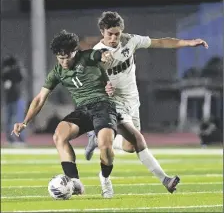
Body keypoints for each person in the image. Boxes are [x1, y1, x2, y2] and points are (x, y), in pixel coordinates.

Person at [85, 11, 209, 193]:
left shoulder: (130, 41)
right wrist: (103, 88)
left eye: (117, 34)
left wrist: (188, 43)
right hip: (113, 104)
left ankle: (98, 140)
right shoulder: (96, 55)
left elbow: (160, 42)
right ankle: (164, 179)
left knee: (129, 146)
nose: (113, 38)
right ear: (102, 31)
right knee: (138, 139)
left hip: (133, 101)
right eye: (109, 34)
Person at [11, 30, 118, 199]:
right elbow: (40, 99)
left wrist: (105, 55)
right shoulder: (57, 72)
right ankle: (75, 182)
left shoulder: (86, 56)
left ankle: (104, 178)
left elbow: (100, 54)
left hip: (103, 106)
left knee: (105, 147)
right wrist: (25, 122)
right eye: (60, 58)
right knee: (59, 135)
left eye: (67, 57)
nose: (64, 61)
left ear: (75, 52)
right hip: (83, 110)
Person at [1, 55, 27, 146]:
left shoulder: (12, 73)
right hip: (13, 99)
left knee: (13, 120)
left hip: (14, 99)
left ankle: (16, 139)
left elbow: (21, 77)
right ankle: (16, 139)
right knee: (13, 119)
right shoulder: (11, 73)